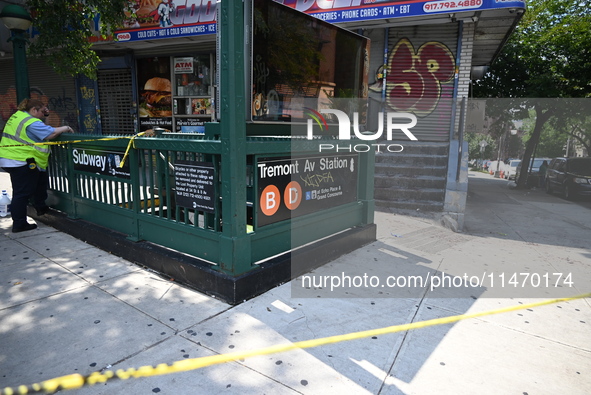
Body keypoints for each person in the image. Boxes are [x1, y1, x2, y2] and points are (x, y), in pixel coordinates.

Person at [0, 98, 74, 233]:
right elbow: (50, 133)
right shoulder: (30, 122)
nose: (43, 115)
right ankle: (19, 223)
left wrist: (44, 113)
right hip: (20, 160)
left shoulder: (18, 116)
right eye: (41, 111)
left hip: (13, 158)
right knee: (21, 193)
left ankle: (40, 206)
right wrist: (66, 127)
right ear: (34, 110)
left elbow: (42, 126)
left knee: (40, 180)